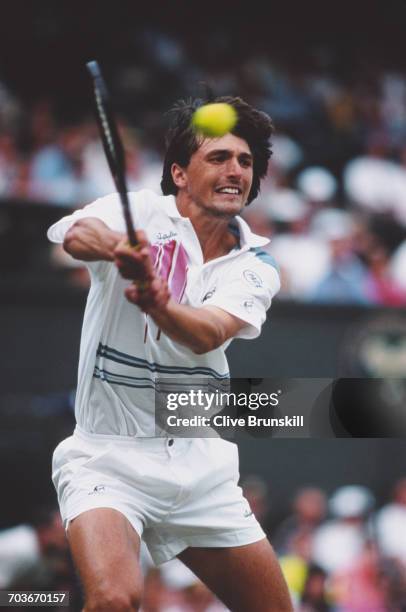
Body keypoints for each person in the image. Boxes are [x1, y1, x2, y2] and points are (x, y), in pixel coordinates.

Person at [47, 96, 292, 612]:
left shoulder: (256, 263)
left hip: (200, 465)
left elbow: (208, 332)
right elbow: (74, 235)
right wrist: (119, 248)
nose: (235, 171)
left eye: (245, 162)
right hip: (106, 457)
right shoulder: (136, 211)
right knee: (114, 599)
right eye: (219, 158)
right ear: (179, 174)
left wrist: (159, 301)